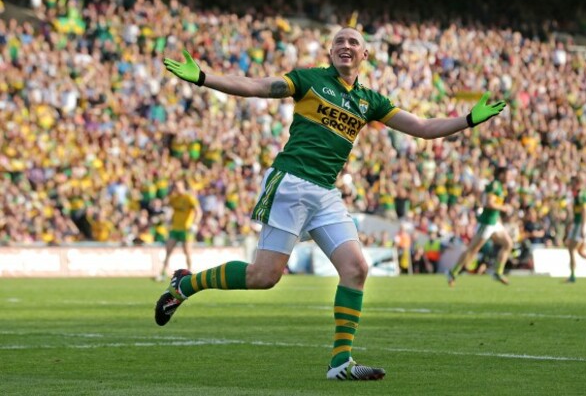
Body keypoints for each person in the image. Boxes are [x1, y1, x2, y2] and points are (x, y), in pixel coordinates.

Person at [155, 27, 506, 380]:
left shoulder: (370, 101)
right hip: (291, 182)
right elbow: (258, 86)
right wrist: (204, 77)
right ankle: (185, 285)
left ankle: (340, 362)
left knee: (356, 268)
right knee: (263, 277)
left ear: (365, 54)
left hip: (325, 192)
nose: (345, 45)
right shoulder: (310, 80)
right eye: (339, 41)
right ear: (330, 51)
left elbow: (423, 127)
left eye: (353, 42)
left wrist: (468, 120)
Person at [446, 165, 514, 286]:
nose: (510, 177)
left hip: (494, 222)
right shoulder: (494, 186)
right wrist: (505, 208)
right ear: (501, 175)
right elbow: (489, 203)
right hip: (487, 223)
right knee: (472, 250)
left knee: (508, 244)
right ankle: (452, 272)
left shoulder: (500, 187)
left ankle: (498, 272)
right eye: (508, 175)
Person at [157, 179, 202, 281]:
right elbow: (165, 204)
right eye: (175, 187)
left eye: (178, 187)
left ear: (183, 187)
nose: (176, 188)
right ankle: (163, 273)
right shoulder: (174, 198)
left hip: (186, 229)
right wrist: (169, 192)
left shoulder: (189, 198)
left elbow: (198, 211)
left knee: (187, 252)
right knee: (168, 251)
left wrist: (195, 224)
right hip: (175, 228)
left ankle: (190, 274)